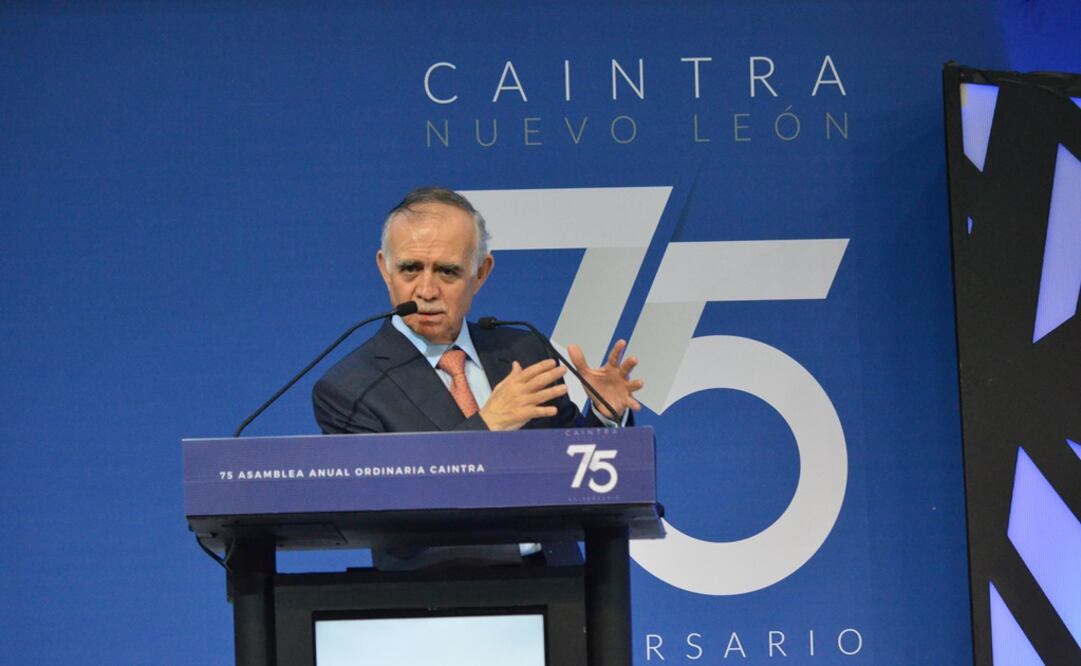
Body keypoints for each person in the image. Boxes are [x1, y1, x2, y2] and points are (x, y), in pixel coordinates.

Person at [312, 186, 643, 435]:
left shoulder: (525, 352)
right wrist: (488, 425)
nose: (426, 291)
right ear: (385, 270)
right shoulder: (351, 389)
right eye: (410, 268)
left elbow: (577, 472)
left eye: (448, 271)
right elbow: (383, 506)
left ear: (481, 273)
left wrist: (606, 417)